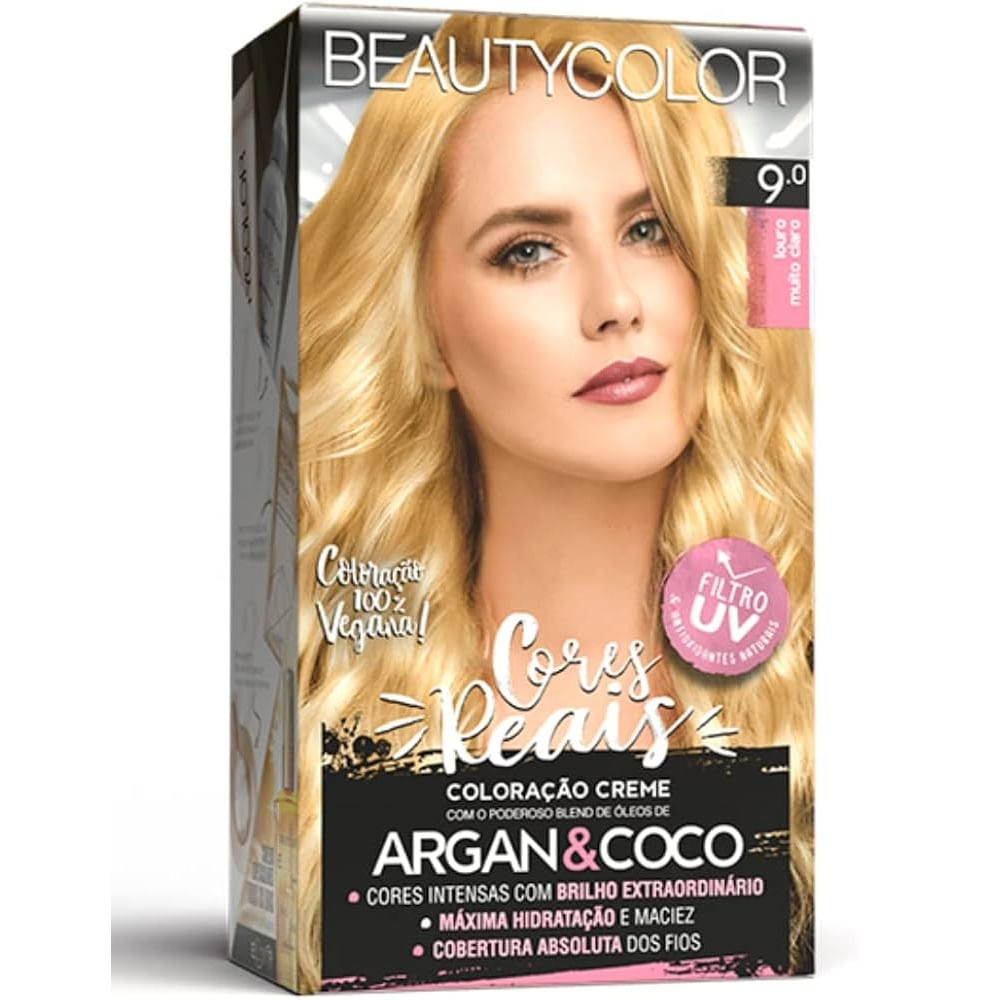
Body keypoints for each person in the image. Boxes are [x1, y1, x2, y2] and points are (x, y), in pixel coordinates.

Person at [297, 13, 813, 990]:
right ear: (425, 333)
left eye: (650, 229)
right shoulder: (333, 757)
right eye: (529, 250)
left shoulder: (814, 710)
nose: (616, 303)